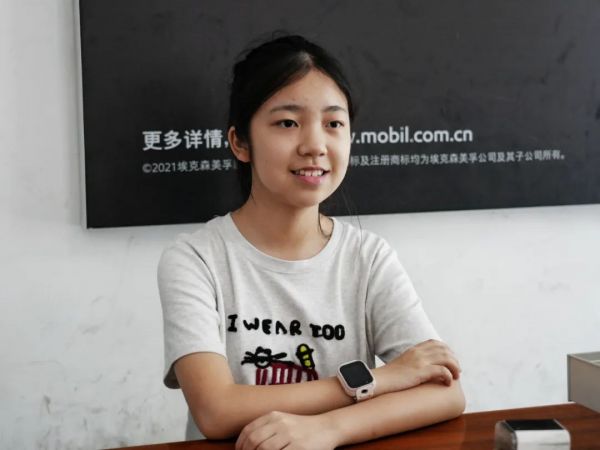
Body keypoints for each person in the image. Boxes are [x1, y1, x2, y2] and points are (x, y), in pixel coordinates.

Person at [158, 34, 465, 450]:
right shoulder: (196, 259)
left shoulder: (367, 256)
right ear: (240, 143)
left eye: (333, 124)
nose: (315, 146)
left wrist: (329, 429)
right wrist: (378, 380)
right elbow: (216, 410)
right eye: (288, 123)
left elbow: (446, 392)